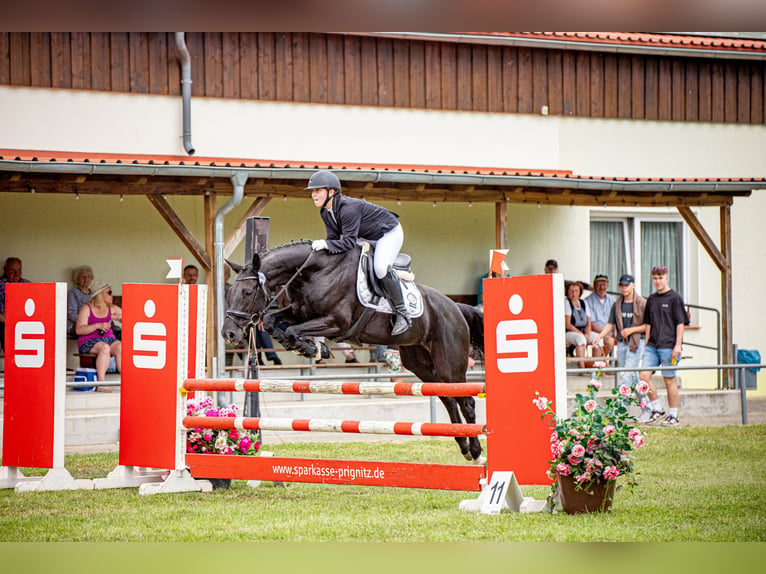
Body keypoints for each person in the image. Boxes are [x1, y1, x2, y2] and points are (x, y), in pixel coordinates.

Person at [306, 169, 411, 335]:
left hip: (388, 233)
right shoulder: (325, 212)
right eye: (312, 191)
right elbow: (333, 239)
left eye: (317, 190)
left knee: (380, 268)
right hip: (365, 236)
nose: (313, 194)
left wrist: (325, 244)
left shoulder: (348, 208)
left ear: (331, 192)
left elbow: (346, 242)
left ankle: (403, 313)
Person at [638, 265, 690, 427]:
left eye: (660, 278)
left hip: (669, 346)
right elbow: (648, 323)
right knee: (643, 376)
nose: (658, 281)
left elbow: (681, 323)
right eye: (655, 278)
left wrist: (678, 345)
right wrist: (646, 342)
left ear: (666, 278)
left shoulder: (675, 298)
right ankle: (657, 409)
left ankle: (673, 416)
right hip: (652, 345)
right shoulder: (652, 299)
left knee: (669, 380)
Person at [593, 274, 650, 415]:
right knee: (634, 376)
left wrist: (631, 330)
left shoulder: (642, 303)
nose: (624, 288)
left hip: (637, 342)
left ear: (633, 285)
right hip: (623, 343)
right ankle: (648, 408)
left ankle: (615, 411)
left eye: (627, 285)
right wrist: (600, 336)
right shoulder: (617, 304)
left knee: (626, 375)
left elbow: (648, 326)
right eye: (622, 285)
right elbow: (610, 323)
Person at [75, 280, 122, 383]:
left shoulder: (112, 308)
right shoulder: (87, 308)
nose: (112, 295)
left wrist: (120, 318)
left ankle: (126, 381)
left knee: (120, 347)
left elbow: (130, 317)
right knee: (105, 348)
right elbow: (79, 330)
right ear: (100, 295)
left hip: (108, 339)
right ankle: (101, 382)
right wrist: (97, 326)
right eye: (109, 293)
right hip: (89, 341)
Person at [564, 281, 603, 370]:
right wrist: (582, 335)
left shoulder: (583, 303)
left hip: (583, 332)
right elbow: (568, 324)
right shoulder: (567, 302)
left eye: (576, 291)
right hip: (570, 332)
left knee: (598, 339)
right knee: (580, 339)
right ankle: (582, 368)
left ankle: (596, 367)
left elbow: (588, 322)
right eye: (571, 291)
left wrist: (587, 334)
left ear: (580, 292)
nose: (573, 293)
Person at [0, 257, 31, 353]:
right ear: (5, 270)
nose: (17, 273)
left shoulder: (27, 284)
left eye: (19, 270)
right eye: (13, 270)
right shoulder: (1, 284)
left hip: (23, 321)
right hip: (4, 323)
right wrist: (10, 322)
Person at [585, 274, 616, 356]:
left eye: (604, 285)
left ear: (608, 286)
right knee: (609, 341)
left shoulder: (612, 300)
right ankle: (601, 364)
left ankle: (602, 364)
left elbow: (616, 319)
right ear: (594, 286)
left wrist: (616, 332)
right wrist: (604, 333)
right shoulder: (588, 301)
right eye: (599, 285)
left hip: (611, 332)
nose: (602, 287)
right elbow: (590, 323)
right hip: (596, 332)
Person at [67, 265, 94, 338]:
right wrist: (87, 321)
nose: (86, 279)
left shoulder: (94, 294)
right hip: (76, 325)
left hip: (92, 325)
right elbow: (71, 313)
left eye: (88, 277)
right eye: (83, 277)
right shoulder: (73, 293)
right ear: (77, 279)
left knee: (112, 329)